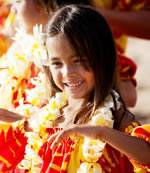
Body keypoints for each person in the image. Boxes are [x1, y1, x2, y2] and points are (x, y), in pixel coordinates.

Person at [0, 4, 150, 173]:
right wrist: (21, 122)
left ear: (102, 58)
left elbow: (147, 155)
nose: (67, 73)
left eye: (78, 60)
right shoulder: (52, 113)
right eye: (57, 63)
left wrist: (101, 132)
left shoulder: (115, 115)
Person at [0, 0, 50, 114]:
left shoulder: (57, 54)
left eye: (18, 1)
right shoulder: (19, 43)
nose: (13, 9)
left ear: (44, 4)